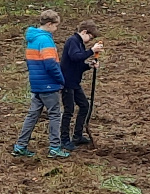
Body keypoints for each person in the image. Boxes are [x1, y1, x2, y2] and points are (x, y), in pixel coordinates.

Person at [11, 8, 71, 159]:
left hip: (36, 84)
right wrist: (61, 79)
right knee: (55, 115)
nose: (56, 29)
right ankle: (55, 147)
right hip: (48, 84)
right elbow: (50, 64)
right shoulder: (45, 40)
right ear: (49, 24)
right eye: (56, 26)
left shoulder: (32, 39)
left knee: (32, 115)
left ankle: (20, 145)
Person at [62, 21, 103, 147]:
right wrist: (91, 50)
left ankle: (77, 135)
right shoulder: (73, 41)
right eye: (90, 37)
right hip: (67, 82)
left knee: (85, 105)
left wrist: (89, 65)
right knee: (69, 110)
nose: (90, 40)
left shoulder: (79, 44)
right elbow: (75, 57)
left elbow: (78, 64)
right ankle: (64, 140)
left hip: (74, 82)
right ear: (84, 32)